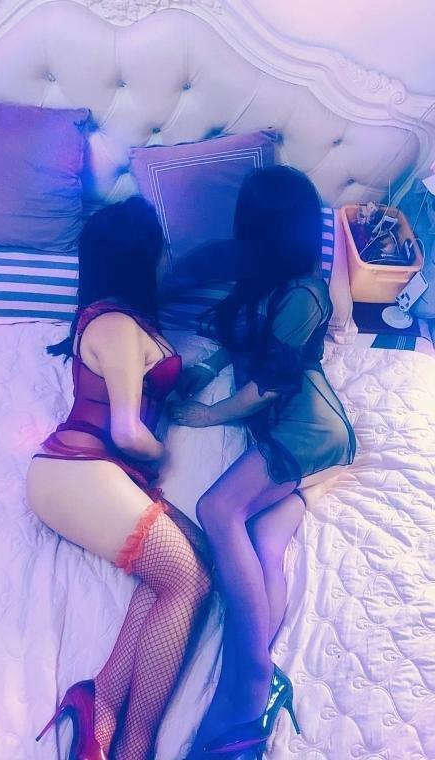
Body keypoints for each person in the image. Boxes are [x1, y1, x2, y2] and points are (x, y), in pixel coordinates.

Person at [170, 166, 356, 759]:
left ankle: (249, 679)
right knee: (261, 541)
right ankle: (261, 682)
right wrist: (204, 367)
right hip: (283, 425)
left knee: (217, 509)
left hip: (308, 428)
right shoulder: (263, 273)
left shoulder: (306, 293)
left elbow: (272, 383)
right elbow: (242, 336)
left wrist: (208, 415)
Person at [26, 196, 211, 760]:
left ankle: (98, 701)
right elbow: (128, 432)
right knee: (188, 580)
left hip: (98, 474)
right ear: (139, 258)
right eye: (159, 247)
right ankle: (133, 746)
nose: (166, 255)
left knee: (193, 564)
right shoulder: (116, 325)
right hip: (76, 469)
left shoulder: (125, 323)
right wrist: (162, 455)